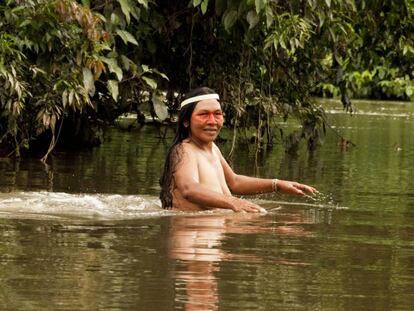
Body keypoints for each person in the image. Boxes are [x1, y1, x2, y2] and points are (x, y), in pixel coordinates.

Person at [159, 87, 316, 213]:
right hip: (193, 235)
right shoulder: (183, 150)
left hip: (212, 234)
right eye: (204, 114)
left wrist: (278, 184)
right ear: (186, 121)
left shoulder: (213, 148)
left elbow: (234, 182)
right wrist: (233, 202)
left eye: (217, 114)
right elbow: (189, 189)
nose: (212, 121)